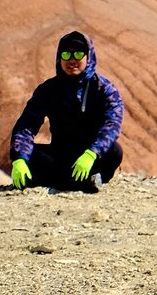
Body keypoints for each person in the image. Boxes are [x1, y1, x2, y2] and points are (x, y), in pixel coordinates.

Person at [8, 30, 124, 193]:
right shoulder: (48, 90)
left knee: (114, 151)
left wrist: (92, 153)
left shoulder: (104, 89)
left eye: (78, 54)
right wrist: (19, 158)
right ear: (59, 57)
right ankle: (82, 183)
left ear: (88, 57)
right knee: (29, 155)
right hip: (59, 155)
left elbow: (112, 125)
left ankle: (63, 181)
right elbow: (26, 125)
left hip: (91, 157)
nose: (72, 60)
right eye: (66, 54)